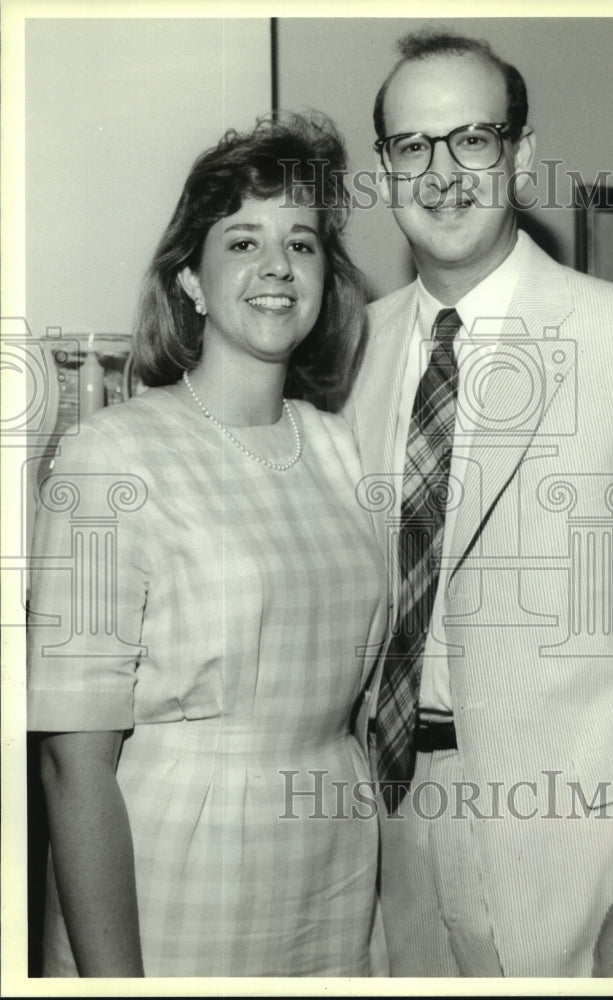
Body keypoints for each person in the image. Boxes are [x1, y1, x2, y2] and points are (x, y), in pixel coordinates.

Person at [346, 31, 613, 977]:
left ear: (521, 154)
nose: (442, 173)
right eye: (414, 146)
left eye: (472, 139)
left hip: (569, 860)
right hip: (377, 837)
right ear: (385, 170)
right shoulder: (351, 353)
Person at [26, 114, 387, 977]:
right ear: (189, 277)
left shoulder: (340, 448)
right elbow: (74, 769)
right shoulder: (111, 455)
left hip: (332, 860)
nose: (276, 268)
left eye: (301, 244)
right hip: (178, 867)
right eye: (242, 242)